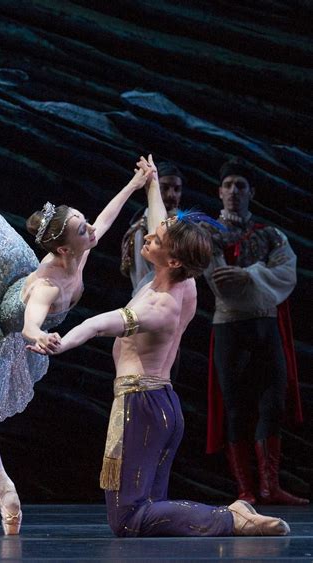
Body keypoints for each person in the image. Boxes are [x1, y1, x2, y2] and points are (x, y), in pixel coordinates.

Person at [0, 70, 150, 534]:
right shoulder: (50, 285)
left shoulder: (79, 250)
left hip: (11, 279)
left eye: (83, 223)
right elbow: (34, 315)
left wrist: (135, 186)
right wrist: (36, 334)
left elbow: (105, 221)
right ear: (62, 248)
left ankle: (2, 483)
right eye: (81, 228)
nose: (90, 231)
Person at [30, 155, 290, 538]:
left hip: (142, 407)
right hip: (160, 406)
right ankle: (230, 516)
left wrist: (59, 342)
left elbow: (99, 324)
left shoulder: (160, 305)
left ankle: (230, 517)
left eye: (155, 239)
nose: (149, 236)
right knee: (147, 513)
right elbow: (161, 224)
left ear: (169, 257)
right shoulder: (180, 280)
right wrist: (150, 182)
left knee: (129, 519)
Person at [204, 158, 307, 505]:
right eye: (229, 185)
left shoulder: (270, 234)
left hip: (265, 326)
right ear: (219, 191)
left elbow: (285, 276)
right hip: (230, 328)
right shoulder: (208, 234)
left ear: (251, 192)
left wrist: (250, 274)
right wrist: (259, 277)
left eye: (241, 186)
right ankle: (246, 489)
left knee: (272, 402)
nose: (234, 191)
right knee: (235, 407)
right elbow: (221, 285)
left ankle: (269, 486)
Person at [120, 161, 183, 296]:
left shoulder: (184, 228)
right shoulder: (140, 230)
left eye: (177, 189)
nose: (171, 195)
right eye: (164, 188)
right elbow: (142, 280)